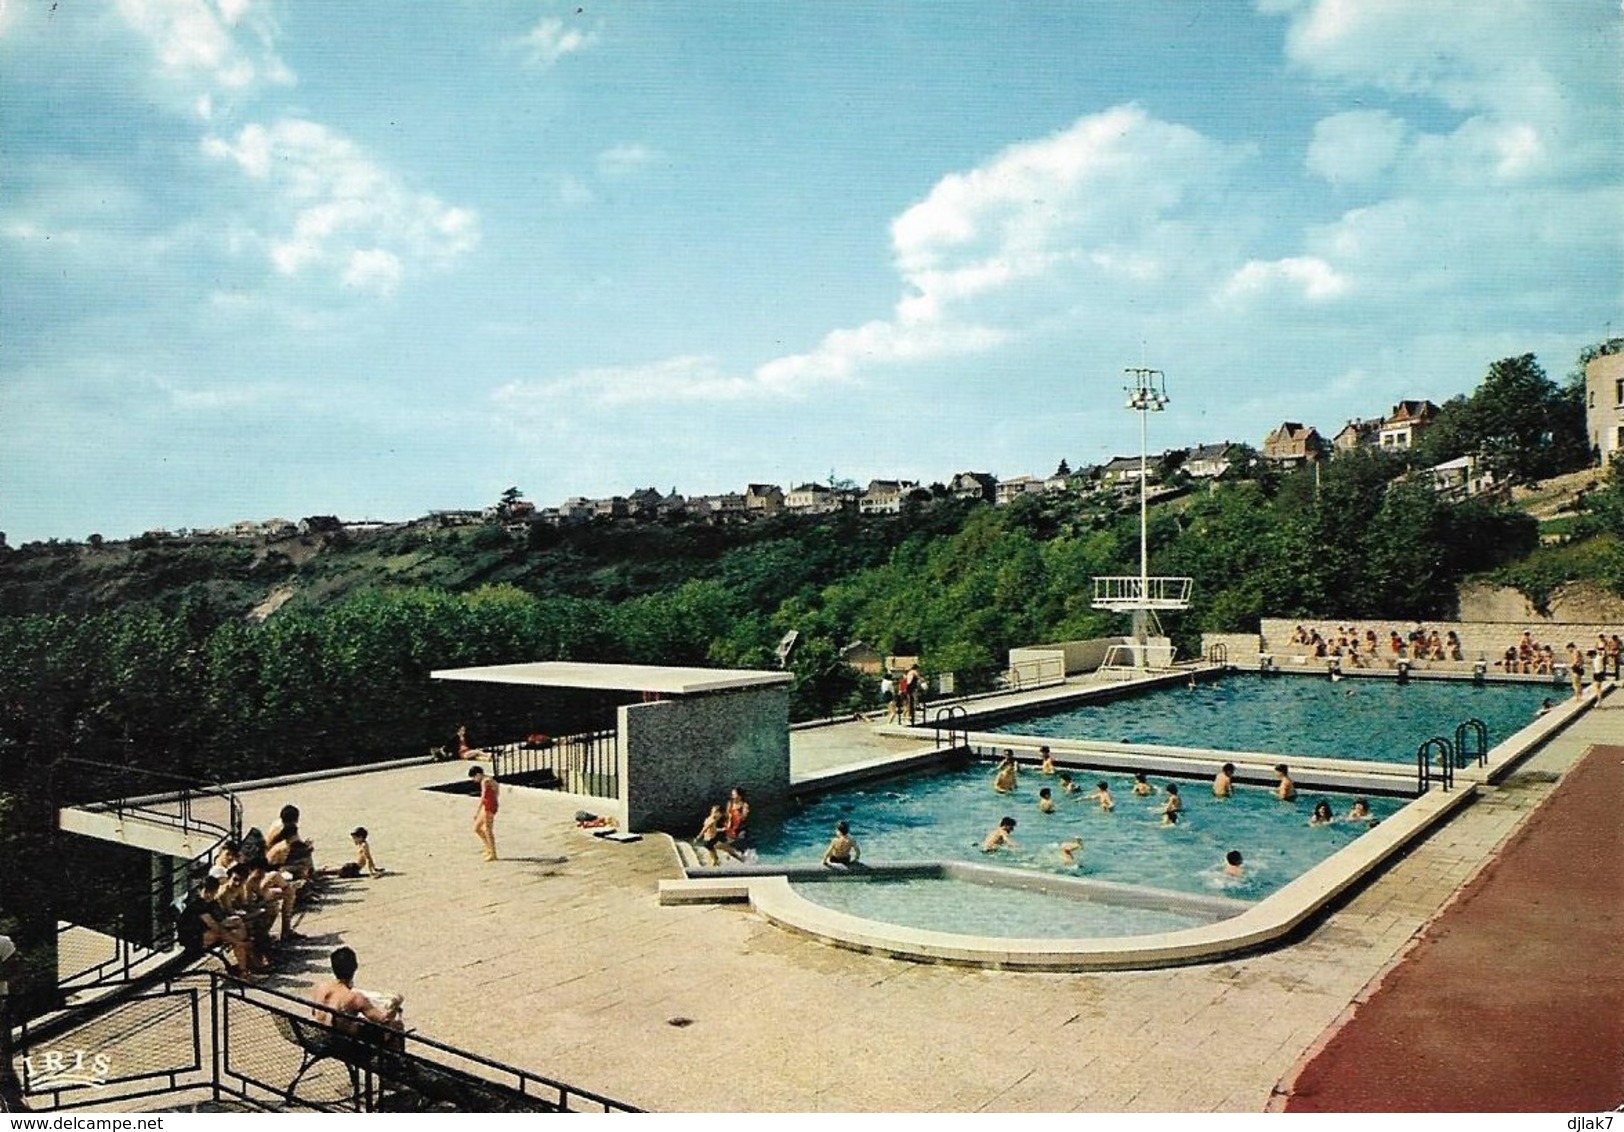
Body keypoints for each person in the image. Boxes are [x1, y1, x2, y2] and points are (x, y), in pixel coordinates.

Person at [313, 946, 404, 1040]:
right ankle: (396, 1054)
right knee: (397, 1026)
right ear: (355, 967)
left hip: (321, 1038)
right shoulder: (355, 998)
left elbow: (315, 1012)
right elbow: (383, 1020)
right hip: (343, 1044)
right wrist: (394, 1007)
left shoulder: (321, 987)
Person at [469, 765, 498, 861]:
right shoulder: (489, 779)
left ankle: (493, 853)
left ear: (478, 774)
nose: (474, 780)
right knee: (477, 828)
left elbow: (483, 796)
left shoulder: (485, 781)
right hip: (489, 805)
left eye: (474, 777)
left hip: (489, 806)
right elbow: (497, 789)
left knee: (488, 829)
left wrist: (477, 811)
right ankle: (488, 848)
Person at [723, 787, 751, 856]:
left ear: (740, 796)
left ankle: (744, 854)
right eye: (732, 794)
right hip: (731, 826)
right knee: (730, 843)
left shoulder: (744, 805)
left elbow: (744, 818)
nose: (732, 795)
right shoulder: (730, 803)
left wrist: (738, 814)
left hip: (740, 827)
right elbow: (727, 814)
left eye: (734, 794)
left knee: (741, 838)